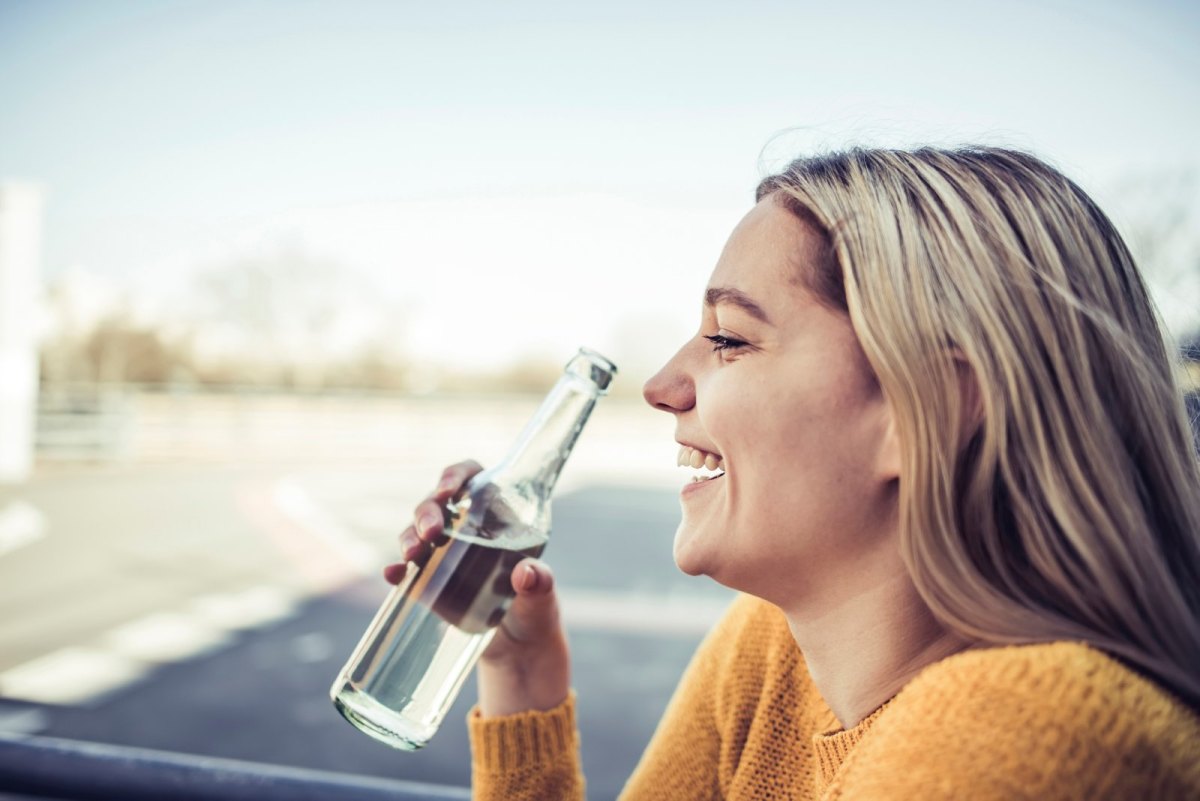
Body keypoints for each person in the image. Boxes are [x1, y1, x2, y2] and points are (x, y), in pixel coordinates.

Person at [388, 146, 1200, 799]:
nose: (663, 386)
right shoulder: (775, 646)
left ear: (928, 415)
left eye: (730, 339)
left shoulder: (1030, 731)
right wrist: (520, 672)